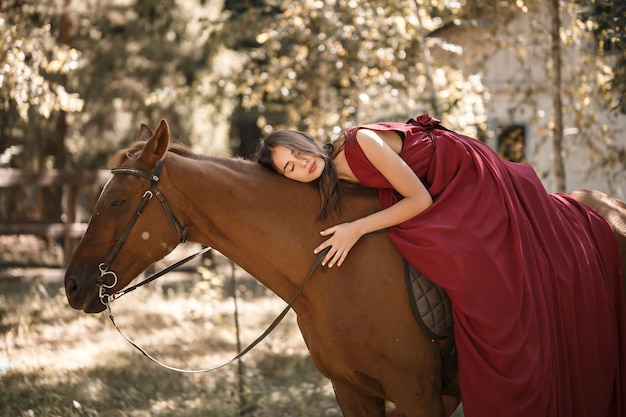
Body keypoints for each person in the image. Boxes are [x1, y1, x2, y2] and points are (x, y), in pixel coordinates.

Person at [256, 114, 626, 417]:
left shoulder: (360, 144)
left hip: (463, 176)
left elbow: (418, 199)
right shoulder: (330, 176)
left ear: (305, 140)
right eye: (290, 168)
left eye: (297, 153)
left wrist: (356, 229)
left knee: (470, 263)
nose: (302, 165)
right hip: (430, 188)